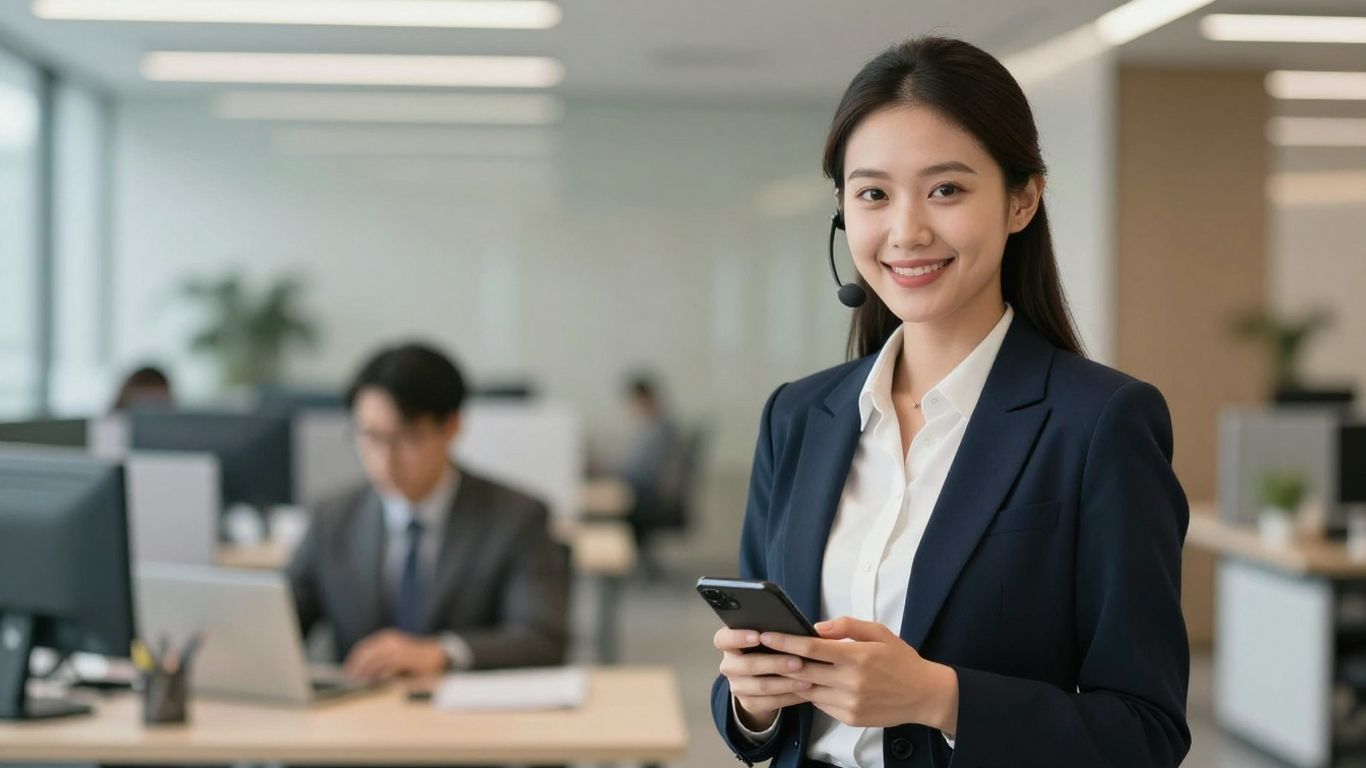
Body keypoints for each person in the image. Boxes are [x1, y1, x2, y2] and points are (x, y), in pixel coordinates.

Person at [710, 37, 1190, 768]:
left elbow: (1145, 732)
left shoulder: (1101, 424)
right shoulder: (798, 417)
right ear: (843, 211)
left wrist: (941, 698)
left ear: (1022, 200)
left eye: (946, 190)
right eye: (873, 194)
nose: (906, 232)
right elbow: (751, 693)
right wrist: (753, 701)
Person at [287, 342, 568, 679]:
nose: (385, 460)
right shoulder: (332, 518)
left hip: (470, 708)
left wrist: (441, 653)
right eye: (371, 437)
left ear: (451, 427)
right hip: (359, 706)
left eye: (406, 438)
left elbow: (542, 638)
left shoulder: (516, 517)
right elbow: (283, 622)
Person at [619, 373, 681, 573]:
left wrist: (606, 470)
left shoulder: (659, 430)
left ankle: (618, 568)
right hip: (647, 494)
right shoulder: (655, 427)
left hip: (648, 499)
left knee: (607, 512)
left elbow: (638, 471)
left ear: (643, 398)